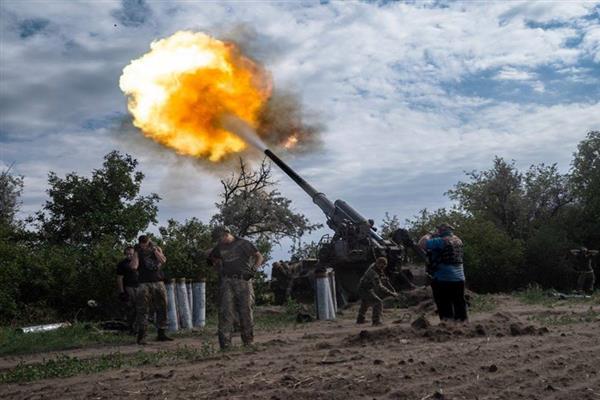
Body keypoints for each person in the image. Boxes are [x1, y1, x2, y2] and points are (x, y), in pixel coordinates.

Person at [209, 226, 264, 350]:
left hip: (243, 280)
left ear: (226, 233)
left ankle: (248, 341)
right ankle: (225, 345)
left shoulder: (244, 243)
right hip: (227, 281)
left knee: (245, 311)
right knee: (225, 311)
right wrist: (218, 268)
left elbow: (259, 256)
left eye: (220, 238)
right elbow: (213, 258)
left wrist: (254, 270)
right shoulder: (219, 247)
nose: (219, 241)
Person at [419, 223, 468, 322]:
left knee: (444, 305)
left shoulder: (440, 241)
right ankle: (463, 326)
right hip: (460, 279)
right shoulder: (458, 240)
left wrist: (429, 235)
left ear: (440, 231)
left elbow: (422, 244)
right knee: (459, 303)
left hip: (443, 279)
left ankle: (447, 327)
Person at [131, 235, 173, 345]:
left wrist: (154, 250)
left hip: (158, 281)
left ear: (149, 242)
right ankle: (142, 336)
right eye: (142, 244)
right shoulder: (138, 251)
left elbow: (163, 260)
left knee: (162, 306)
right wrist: (136, 252)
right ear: (140, 243)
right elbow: (134, 266)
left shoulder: (156, 248)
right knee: (142, 309)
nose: (145, 246)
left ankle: (161, 333)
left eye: (146, 243)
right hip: (143, 283)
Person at [356, 257, 398, 326]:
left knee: (365, 303)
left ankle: (360, 319)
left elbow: (382, 277)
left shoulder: (374, 266)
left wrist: (384, 279)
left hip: (364, 287)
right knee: (378, 302)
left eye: (384, 266)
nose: (383, 268)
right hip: (365, 289)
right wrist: (392, 293)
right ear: (378, 264)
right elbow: (379, 287)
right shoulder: (373, 273)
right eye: (382, 266)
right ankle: (376, 321)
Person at [116, 246, 138, 334]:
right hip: (129, 287)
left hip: (139, 286)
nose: (129, 256)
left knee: (139, 308)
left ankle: (137, 328)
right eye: (127, 254)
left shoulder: (137, 261)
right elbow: (119, 278)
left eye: (131, 254)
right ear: (125, 254)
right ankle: (131, 328)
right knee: (131, 308)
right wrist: (121, 292)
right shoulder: (122, 264)